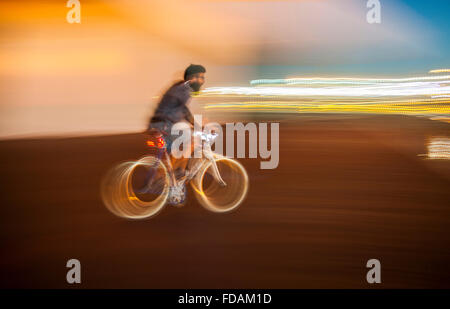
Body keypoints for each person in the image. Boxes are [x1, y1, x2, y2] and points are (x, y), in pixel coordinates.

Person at [147, 64, 206, 153]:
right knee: (190, 142)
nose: (202, 81)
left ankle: (174, 165)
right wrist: (196, 125)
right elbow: (183, 110)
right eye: (201, 77)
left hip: (160, 124)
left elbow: (182, 109)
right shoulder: (183, 90)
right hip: (164, 125)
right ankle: (179, 167)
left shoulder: (180, 87)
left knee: (177, 151)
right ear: (192, 78)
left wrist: (194, 123)